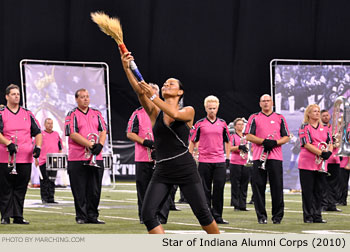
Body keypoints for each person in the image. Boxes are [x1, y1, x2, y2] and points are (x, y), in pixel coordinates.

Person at [120, 51, 219, 234]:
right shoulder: (154, 113)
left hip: (185, 168)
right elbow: (139, 91)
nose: (166, 84)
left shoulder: (188, 111)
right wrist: (126, 67)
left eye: (171, 83)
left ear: (180, 92)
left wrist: (153, 96)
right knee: (148, 214)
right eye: (165, 83)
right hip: (163, 170)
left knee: (203, 214)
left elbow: (174, 114)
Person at [126, 84, 173, 224]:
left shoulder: (166, 112)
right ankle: (144, 216)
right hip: (143, 157)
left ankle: (162, 217)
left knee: (164, 188)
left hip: (164, 157)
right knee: (143, 189)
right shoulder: (137, 113)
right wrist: (145, 142)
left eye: (151, 93)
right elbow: (129, 133)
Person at [0, 84, 42, 225]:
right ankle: (5, 216)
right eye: (13, 94)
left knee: (21, 188)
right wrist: (8, 143)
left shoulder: (27, 113)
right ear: (7, 96)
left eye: (18, 94)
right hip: (5, 157)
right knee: (5, 188)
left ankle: (18, 216)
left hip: (25, 157)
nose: (16, 96)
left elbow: (37, 132)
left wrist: (38, 146)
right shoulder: (1, 113)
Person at [245, 94, 290, 224]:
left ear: (272, 103)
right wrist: (264, 141)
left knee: (277, 187)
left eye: (268, 101)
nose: (266, 103)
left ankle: (277, 217)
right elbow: (248, 135)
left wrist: (275, 142)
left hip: (275, 157)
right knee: (258, 187)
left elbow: (286, 137)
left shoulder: (280, 118)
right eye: (263, 101)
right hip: (259, 157)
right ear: (260, 103)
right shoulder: (254, 117)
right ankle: (261, 216)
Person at [65, 88, 107, 224]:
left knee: (95, 189)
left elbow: (103, 130)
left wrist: (100, 144)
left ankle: (93, 215)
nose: (86, 99)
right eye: (82, 97)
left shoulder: (97, 113)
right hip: (77, 158)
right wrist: (91, 144)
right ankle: (81, 216)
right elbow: (73, 133)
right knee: (79, 189)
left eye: (87, 96)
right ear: (76, 99)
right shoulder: (72, 114)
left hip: (96, 157)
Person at [189, 95, 231, 224]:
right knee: (204, 190)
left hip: (219, 161)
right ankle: (207, 217)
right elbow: (192, 141)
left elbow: (228, 141)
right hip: (204, 161)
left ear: (217, 108)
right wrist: (190, 157)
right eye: (209, 108)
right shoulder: (199, 124)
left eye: (214, 108)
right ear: (205, 108)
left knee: (219, 189)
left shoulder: (223, 124)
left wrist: (227, 158)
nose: (212, 110)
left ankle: (217, 216)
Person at [298, 104, 333, 223]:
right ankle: (308, 216)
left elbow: (330, 142)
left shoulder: (325, 128)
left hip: (321, 164)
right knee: (308, 191)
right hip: (307, 163)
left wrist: (329, 152)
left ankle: (317, 215)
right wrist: (321, 153)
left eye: (318, 111)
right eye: (314, 111)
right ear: (308, 113)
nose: (317, 113)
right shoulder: (304, 127)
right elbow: (306, 144)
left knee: (319, 191)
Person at [35, 118, 63, 204]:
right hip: (43, 160)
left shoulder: (56, 134)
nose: (50, 125)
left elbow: (60, 148)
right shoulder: (41, 134)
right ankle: (44, 198)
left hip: (54, 160)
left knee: (52, 180)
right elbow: (36, 148)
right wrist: (36, 159)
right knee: (44, 180)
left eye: (51, 123)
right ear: (44, 124)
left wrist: (59, 158)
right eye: (48, 123)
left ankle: (51, 198)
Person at [320, 109, 342, 212]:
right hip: (325, 160)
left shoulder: (335, 128)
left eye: (327, 115)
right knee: (324, 183)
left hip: (335, 159)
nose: (325, 117)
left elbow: (339, 141)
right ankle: (324, 204)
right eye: (323, 116)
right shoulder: (320, 128)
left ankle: (332, 204)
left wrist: (338, 142)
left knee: (334, 183)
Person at [229, 118, 250, 211]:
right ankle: (236, 205)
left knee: (244, 184)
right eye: (239, 124)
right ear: (235, 126)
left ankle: (243, 205)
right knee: (235, 184)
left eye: (242, 124)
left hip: (245, 162)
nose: (241, 126)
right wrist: (239, 147)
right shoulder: (232, 136)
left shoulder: (247, 136)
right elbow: (229, 148)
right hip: (235, 162)